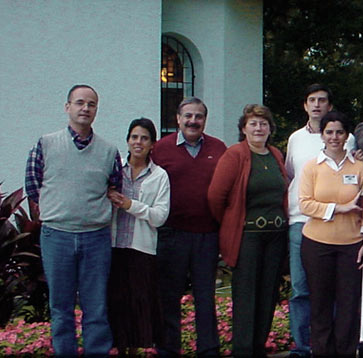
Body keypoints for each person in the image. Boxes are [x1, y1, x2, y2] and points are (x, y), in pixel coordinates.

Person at [25, 84, 122, 356]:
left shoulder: (108, 151)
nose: (85, 108)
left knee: (96, 308)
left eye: (91, 104)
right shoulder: (45, 144)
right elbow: (33, 186)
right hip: (57, 236)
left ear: (96, 111)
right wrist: (60, 207)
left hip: (96, 238)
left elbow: (114, 188)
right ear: (67, 107)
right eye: (80, 103)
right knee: (61, 308)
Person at [208, 104, 289, 356]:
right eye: (253, 123)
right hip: (248, 238)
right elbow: (215, 197)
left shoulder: (275, 154)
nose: (258, 128)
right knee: (246, 299)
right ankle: (243, 350)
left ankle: (259, 348)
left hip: (276, 237)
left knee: (267, 297)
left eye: (263, 123)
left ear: (270, 128)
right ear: (243, 128)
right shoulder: (235, 155)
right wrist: (233, 222)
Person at [284, 84, 357, 357]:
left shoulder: (347, 142)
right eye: (311, 100)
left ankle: (334, 348)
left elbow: (354, 177)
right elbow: (293, 177)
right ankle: (303, 348)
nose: (316, 105)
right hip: (301, 222)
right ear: (305, 105)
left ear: (329, 105)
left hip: (342, 230)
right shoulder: (295, 139)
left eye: (322, 100)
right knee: (301, 289)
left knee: (336, 293)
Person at [151, 97, 226, 357]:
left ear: (205, 120)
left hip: (207, 235)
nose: (193, 121)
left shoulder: (219, 148)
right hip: (172, 234)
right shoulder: (160, 149)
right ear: (178, 119)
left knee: (205, 298)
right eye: (188, 116)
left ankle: (208, 350)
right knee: (169, 297)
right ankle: (168, 350)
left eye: (199, 117)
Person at [298, 111, 363, 357]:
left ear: (347, 135)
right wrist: (339, 208)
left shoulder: (360, 168)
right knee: (320, 305)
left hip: (352, 246)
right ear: (322, 135)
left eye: (339, 132)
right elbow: (305, 204)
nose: (334, 137)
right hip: (317, 245)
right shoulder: (311, 167)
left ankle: (346, 352)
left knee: (349, 306)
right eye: (329, 132)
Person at [106, 118, 171, 354]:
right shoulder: (114, 170)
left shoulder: (159, 176)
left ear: (152, 144)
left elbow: (160, 216)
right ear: (127, 140)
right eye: (134, 137)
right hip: (112, 247)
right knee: (115, 304)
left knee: (138, 306)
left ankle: (135, 351)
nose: (138, 142)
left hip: (141, 250)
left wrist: (130, 204)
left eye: (144, 138)